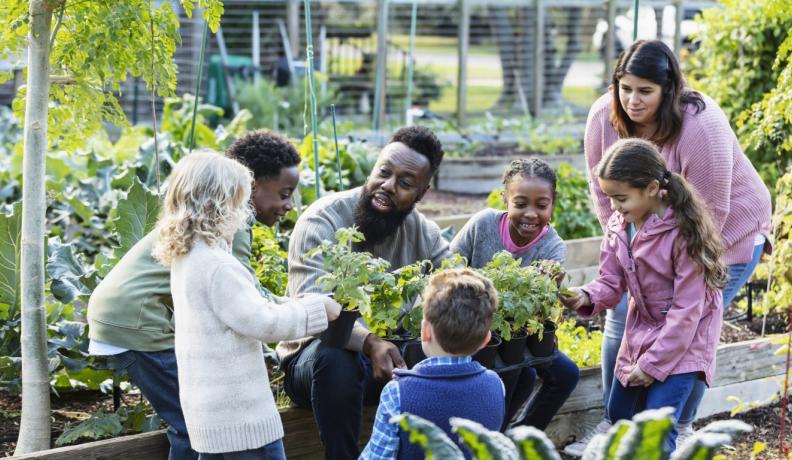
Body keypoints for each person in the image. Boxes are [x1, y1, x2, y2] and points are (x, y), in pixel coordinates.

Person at [571, 39, 772, 456]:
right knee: (622, 313)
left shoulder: (700, 126)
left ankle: (678, 427)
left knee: (691, 325)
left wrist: (655, 361)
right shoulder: (603, 117)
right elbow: (604, 195)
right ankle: (614, 426)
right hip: (651, 232)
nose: (632, 100)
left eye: (645, 91)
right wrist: (626, 250)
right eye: (625, 88)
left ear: (669, 89)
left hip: (723, 233)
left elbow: (710, 216)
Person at [87, 130, 306, 459]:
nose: (289, 205)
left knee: (195, 425)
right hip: (139, 321)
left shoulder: (201, 222)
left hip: (125, 317)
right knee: (199, 423)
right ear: (252, 187)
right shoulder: (229, 225)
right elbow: (248, 296)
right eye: (285, 193)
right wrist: (299, 310)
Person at [151, 151, 341, 460]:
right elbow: (263, 322)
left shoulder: (188, 257)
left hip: (210, 417)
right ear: (220, 206)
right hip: (242, 419)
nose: (244, 213)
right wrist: (318, 308)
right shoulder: (218, 266)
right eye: (240, 204)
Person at [277, 125, 453, 459]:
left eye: (404, 183)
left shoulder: (424, 234)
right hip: (311, 364)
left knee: (434, 350)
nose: (387, 186)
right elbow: (313, 312)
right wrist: (370, 341)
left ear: (421, 193)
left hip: (387, 362)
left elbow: (454, 286)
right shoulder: (322, 220)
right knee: (335, 354)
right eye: (383, 172)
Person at [561, 138, 727, 454]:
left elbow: (687, 311)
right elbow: (610, 282)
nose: (613, 206)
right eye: (609, 197)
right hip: (642, 331)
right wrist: (584, 296)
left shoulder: (683, 233)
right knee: (621, 416)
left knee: (656, 426)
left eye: (620, 197)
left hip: (685, 340)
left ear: (651, 188)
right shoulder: (619, 226)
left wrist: (652, 365)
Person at [449, 158, 579, 429]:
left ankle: (520, 436)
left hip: (519, 335)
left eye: (541, 205)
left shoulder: (553, 248)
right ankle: (489, 438)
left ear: (553, 203)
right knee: (520, 375)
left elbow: (540, 308)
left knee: (565, 375)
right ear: (505, 199)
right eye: (520, 204)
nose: (531, 214)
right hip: (471, 328)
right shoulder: (483, 224)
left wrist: (551, 288)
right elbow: (447, 269)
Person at [360, 268, 505, 459]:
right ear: (486, 340)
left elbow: (377, 456)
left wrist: (405, 386)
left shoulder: (396, 393)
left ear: (425, 331)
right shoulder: (496, 385)